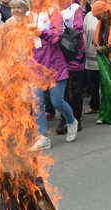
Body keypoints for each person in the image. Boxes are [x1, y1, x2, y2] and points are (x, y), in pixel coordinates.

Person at [30, 8, 79, 151]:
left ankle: (71, 121)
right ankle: (43, 137)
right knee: (37, 103)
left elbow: (57, 36)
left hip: (54, 65)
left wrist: (41, 32)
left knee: (57, 102)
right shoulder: (28, 16)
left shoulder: (53, 13)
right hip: (36, 68)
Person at [56, 0, 86, 136]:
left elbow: (78, 29)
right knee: (63, 90)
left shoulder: (76, 9)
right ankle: (65, 119)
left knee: (75, 90)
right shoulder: (54, 9)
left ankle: (77, 118)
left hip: (74, 54)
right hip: (59, 55)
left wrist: (62, 32)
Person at [83, 0, 101, 114]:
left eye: (95, 1)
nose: (92, 3)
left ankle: (106, 106)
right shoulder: (88, 16)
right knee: (92, 83)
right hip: (89, 53)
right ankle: (94, 105)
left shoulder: (104, 15)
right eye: (91, 1)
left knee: (104, 83)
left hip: (102, 53)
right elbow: (84, 33)